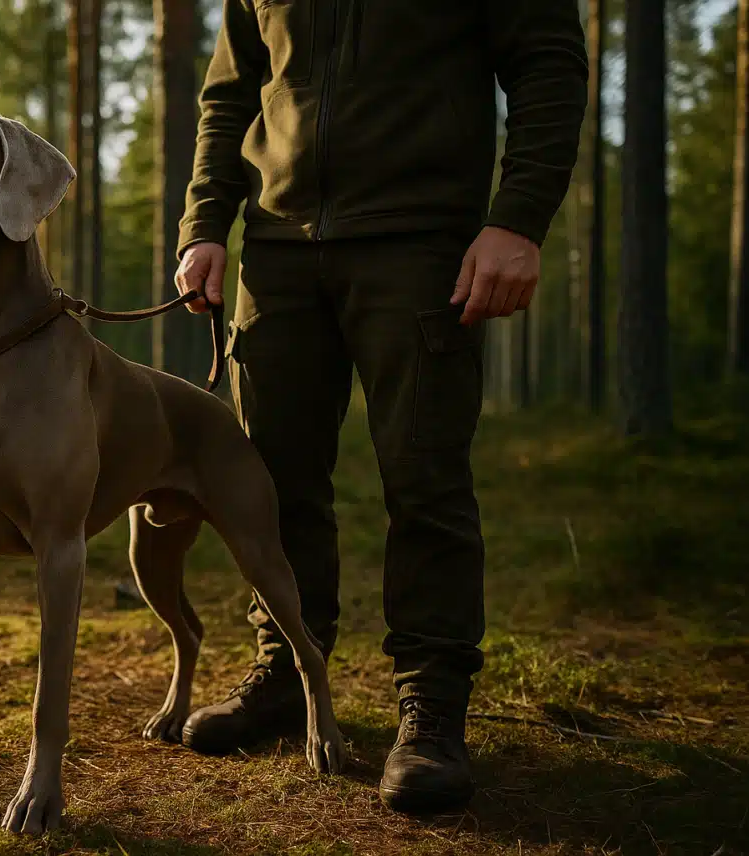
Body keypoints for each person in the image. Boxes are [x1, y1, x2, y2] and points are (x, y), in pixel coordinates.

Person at [172, 0, 588, 815]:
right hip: (279, 249)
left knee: (423, 479)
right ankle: (289, 672)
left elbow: (548, 66)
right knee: (272, 481)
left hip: (424, 245)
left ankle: (432, 709)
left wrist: (518, 221)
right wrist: (204, 223)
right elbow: (232, 89)